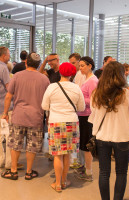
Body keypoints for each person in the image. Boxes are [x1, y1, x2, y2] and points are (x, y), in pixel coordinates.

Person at [89, 61, 129, 200]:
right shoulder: (126, 93)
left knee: (104, 173)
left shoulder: (96, 93)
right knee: (121, 173)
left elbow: (93, 113)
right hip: (122, 136)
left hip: (102, 136)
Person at [1, 52, 50, 180]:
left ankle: (13, 171)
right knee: (32, 146)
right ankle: (29, 172)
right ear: (39, 64)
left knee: (15, 143)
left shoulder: (17, 76)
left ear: (26, 62)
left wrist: (5, 113)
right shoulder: (44, 79)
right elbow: (48, 100)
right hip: (36, 117)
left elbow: (8, 96)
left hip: (19, 115)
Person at [41, 62, 85, 192]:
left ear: (60, 72)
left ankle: (58, 184)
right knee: (67, 155)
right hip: (72, 123)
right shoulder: (76, 88)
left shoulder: (52, 87)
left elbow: (44, 106)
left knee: (57, 155)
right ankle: (65, 181)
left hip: (56, 122)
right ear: (72, 74)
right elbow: (81, 108)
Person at [75, 56, 98, 181]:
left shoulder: (93, 81)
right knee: (83, 144)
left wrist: (79, 98)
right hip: (82, 115)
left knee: (87, 145)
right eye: (79, 66)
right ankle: (84, 167)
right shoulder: (86, 79)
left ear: (90, 66)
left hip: (87, 116)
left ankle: (89, 172)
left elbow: (94, 101)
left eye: (82, 65)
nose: (80, 68)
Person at [68, 53, 86, 169]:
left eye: (74, 63)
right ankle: (78, 160)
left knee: (81, 137)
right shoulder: (77, 74)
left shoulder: (80, 74)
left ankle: (80, 161)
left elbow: (79, 92)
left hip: (82, 110)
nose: (73, 66)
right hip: (79, 110)